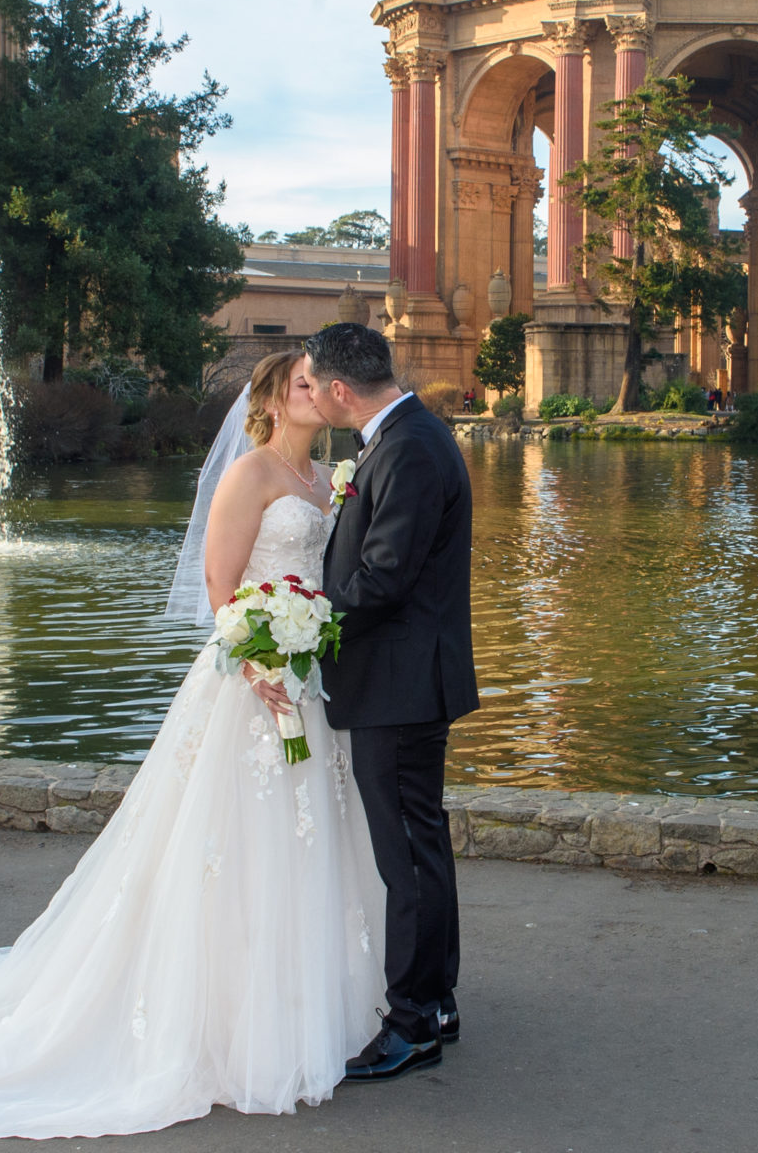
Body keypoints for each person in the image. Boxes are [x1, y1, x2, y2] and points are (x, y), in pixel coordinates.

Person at [0, 350, 385, 1139]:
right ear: (273, 401)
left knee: (309, 840)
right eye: (304, 383)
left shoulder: (330, 479)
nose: (319, 392)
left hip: (309, 682)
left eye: (321, 381)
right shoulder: (249, 476)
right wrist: (254, 661)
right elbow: (220, 586)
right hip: (253, 686)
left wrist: (305, 647)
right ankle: (218, 1022)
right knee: (230, 848)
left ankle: (303, 1003)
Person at [301, 321, 480, 1082]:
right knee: (421, 847)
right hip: (405, 681)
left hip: (399, 688)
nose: (311, 397)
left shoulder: (407, 447)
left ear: (342, 390)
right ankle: (435, 1000)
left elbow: (383, 576)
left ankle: (411, 1023)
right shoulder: (405, 435)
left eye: (314, 385)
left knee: (405, 858)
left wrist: (304, 618)